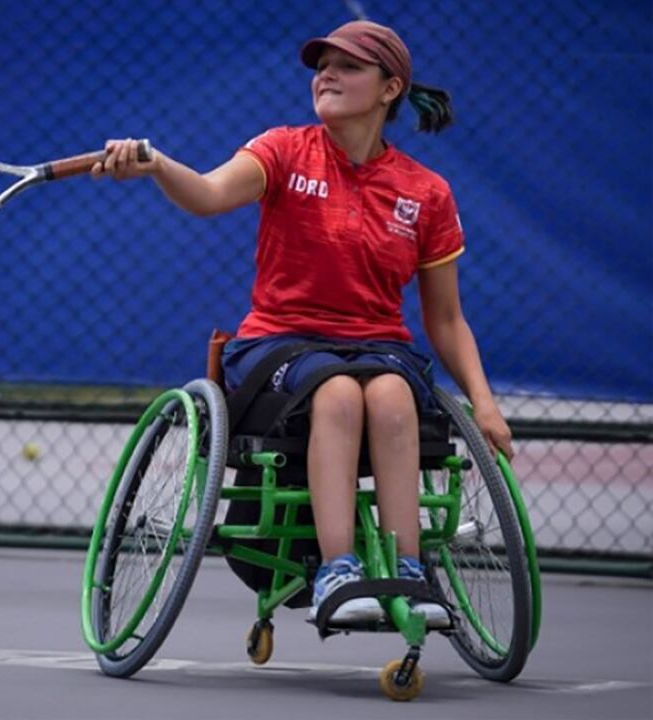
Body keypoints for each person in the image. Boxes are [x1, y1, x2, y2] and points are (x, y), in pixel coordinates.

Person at [93, 20, 514, 627]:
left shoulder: (426, 192)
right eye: (323, 66)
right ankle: (336, 571)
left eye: (348, 66)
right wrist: (157, 165)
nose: (327, 76)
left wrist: (485, 402)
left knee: (393, 396)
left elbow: (445, 317)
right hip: (278, 344)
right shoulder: (283, 151)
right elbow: (207, 194)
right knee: (336, 391)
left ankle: (409, 573)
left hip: (378, 348)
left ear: (390, 87)